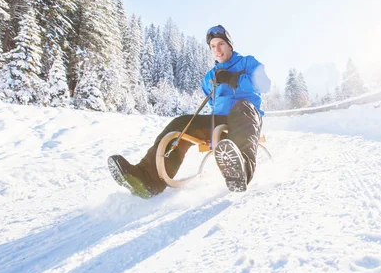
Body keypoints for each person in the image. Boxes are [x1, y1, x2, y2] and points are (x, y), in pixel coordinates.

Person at [108, 25, 271, 198]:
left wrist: (234, 79)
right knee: (181, 123)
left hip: (246, 118)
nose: (217, 49)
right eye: (213, 46)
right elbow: (212, 98)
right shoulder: (210, 76)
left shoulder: (247, 62)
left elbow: (265, 84)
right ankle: (148, 178)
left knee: (242, 107)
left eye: (221, 44)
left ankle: (241, 172)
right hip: (220, 121)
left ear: (230, 45)